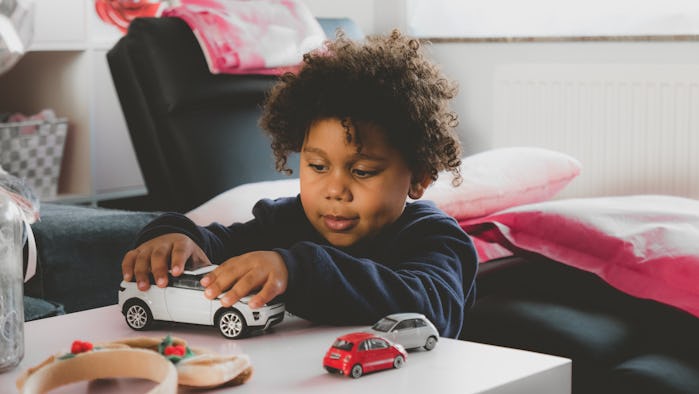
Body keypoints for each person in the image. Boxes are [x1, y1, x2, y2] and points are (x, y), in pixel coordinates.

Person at [121, 30, 478, 338]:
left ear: (418, 178)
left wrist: (296, 270)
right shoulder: (286, 223)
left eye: (363, 171)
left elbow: (432, 308)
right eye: (318, 166)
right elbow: (220, 245)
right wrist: (176, 236)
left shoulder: (435, 238)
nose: (334, 189)